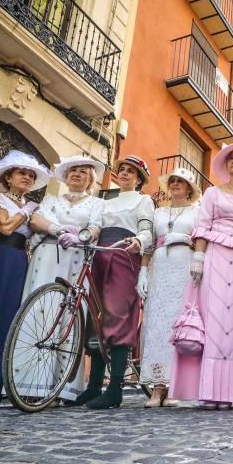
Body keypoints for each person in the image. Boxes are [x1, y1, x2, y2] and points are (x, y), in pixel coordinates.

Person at [170, 139, 233, 409]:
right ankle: (210, 391)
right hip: (215, 258)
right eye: (230, 157)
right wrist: (198, 257)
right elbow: (202, 226)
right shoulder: (212, 193)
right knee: (213, 321)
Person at [21, 154, 105, 404]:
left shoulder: (96, 203)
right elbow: (36, 220)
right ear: (66, 177)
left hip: (76, 258)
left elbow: (96, 226)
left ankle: (62, 386)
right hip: (47, 254)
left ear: (90, 179)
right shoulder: (50, 198)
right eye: (72, 171)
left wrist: (84, 236)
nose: (77, 174)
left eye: (82, 171)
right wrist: (57, 229)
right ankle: (29, 383)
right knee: (39, 310)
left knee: (69, 315)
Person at [79, 155, 154, 410]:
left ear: (139, 178)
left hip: (124, 254)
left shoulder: (143, 200)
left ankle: (115, 389)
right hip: (99, 254)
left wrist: (139, 241)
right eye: (121, 170)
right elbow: (96, 227)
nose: (124, 174)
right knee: (96, 317)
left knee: (118, 315)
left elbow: (146, 230)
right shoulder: (104, 202)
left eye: (130, 171)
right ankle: (93, 386)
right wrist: (86, 235)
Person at [0, 150, 50, 408]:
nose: (27, 178)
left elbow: (40, 231)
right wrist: (27, 211)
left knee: (8, 322)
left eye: (31, 175)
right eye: (22, 173)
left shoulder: (33, 206)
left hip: (20, 260)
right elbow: (4, 227)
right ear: (8, 177)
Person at [137, 167, 201, 408]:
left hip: (184, 269)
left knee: (179, 324)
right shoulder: (158, 213)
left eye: (180, 181)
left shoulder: (197, 212)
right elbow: (150, 244)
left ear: (189, 188)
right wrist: (143, 271)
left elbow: (201, 241)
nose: (175, 184)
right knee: (157, 325)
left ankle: (175, 385)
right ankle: (157, 387)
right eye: (172, 181)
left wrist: (186, 240)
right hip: (160, 269)